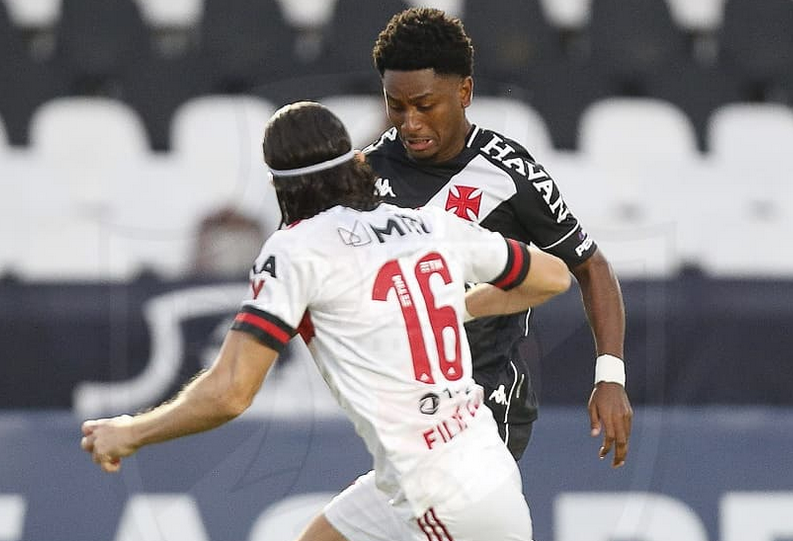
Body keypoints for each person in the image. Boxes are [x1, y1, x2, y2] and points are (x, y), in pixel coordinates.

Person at [80, 101, 572, 540]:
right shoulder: (426, 223)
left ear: (278, 185)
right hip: (478, 466)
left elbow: (230, 392)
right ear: (357, 165)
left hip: (438, 497)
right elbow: (550, 277)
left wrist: (131, 432)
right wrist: (450, 305)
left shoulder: (297, 249)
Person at [308, 8, 634, 541]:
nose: (409, 122)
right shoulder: (362, 180)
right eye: (396, 107)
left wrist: (610, 376)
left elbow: (589, 265)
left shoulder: (510, 173)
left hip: (480, 415)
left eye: (424, 105)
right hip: (410, 424)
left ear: (464, 93)